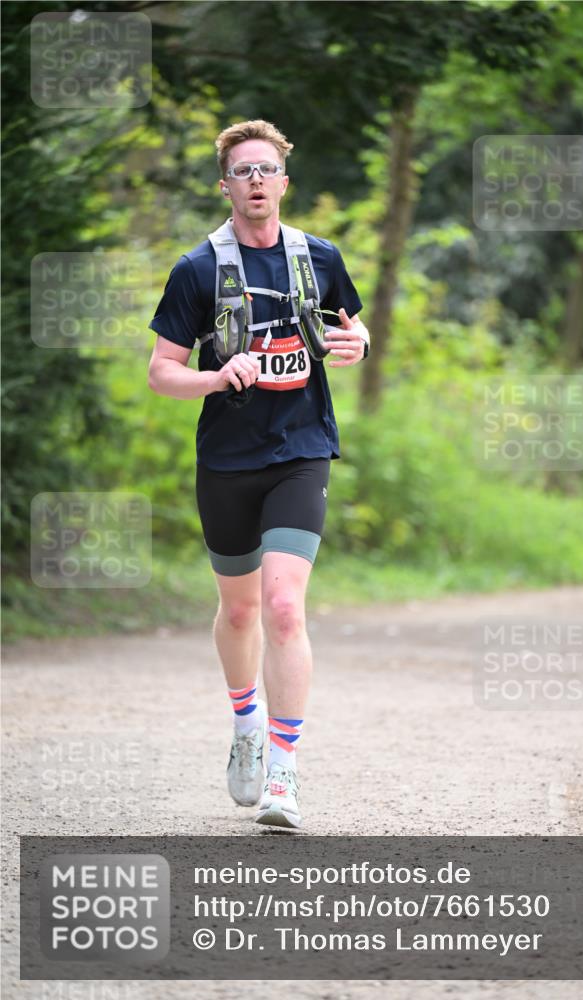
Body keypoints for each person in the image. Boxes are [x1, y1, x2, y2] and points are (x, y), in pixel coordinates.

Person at [148, 120, 369, 829]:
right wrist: (216, 376)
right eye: (241, 171)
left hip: (301, 452)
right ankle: (245, 724)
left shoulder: (319, 257)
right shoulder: (196, 269)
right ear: (225, 185)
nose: (254, 181)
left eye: (265, 169)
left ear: (282, 181)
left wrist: (355, 344)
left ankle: (282, 770)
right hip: (227, 461)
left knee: (280, 607)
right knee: (239, 609)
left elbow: (354, 330)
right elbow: (161, 373)